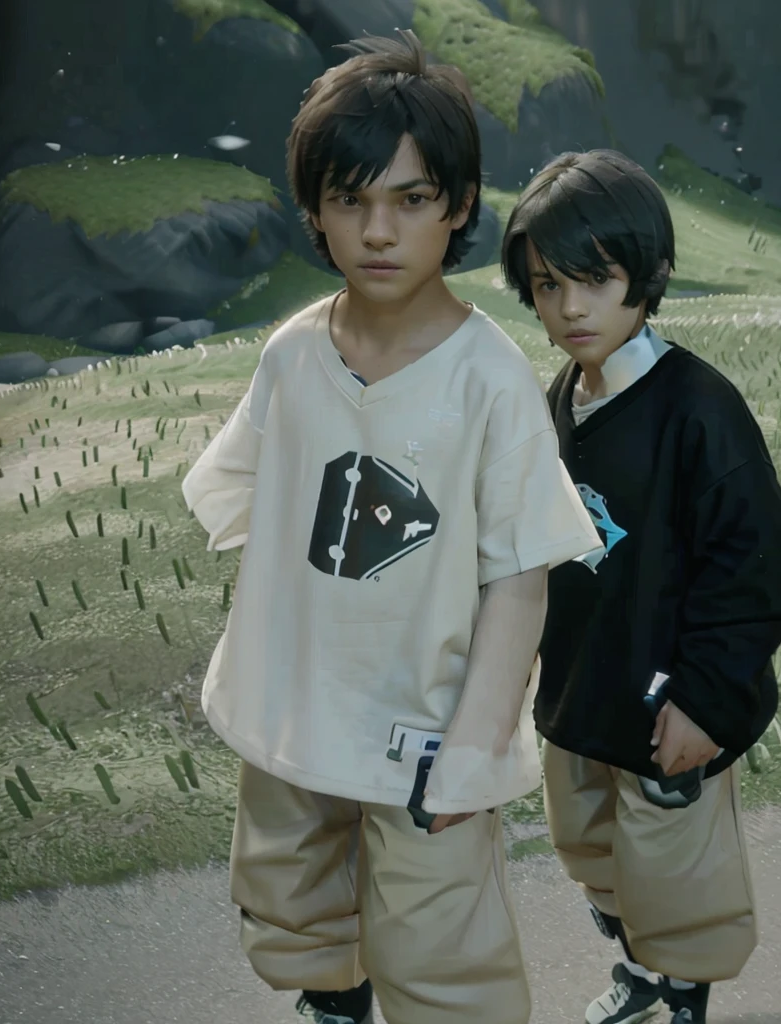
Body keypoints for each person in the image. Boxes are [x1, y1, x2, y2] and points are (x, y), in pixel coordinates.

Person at [181, 32, 601, 1024]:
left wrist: (472, 741)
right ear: (315, 210)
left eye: (410, 200)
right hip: (295, 719)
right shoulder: (290, 357)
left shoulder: (489, 380)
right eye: (350, 199)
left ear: (456, 207)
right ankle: (336, 1005)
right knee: (291, 915)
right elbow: (246, 507)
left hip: (426, 729)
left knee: (440, 953)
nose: (378, 231)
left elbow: (520, 576)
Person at [500, 150, 781, 1024]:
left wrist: (708, 699)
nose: (570, 307)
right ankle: (644, 966)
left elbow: (751, 568)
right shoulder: (559, 397)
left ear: (650, 273)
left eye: (595, 280)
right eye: (548, 283)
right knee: (590, 847)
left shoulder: (699, 409)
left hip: (669, 699)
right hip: (581, 690)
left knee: (673, 869)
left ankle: (677, 994)